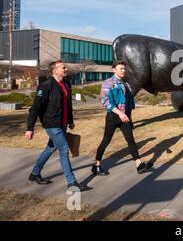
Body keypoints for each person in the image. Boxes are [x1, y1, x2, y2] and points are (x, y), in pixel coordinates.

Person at [25, 60, 86, 191]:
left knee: (50, 148)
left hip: (62, 123)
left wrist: (70, 121)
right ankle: (72, 182)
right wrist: (29, 128)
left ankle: (35, 174)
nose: (66, 69)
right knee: (64, 150)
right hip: (51, 124)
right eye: (63, 68)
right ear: (55, 70)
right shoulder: (45, 86)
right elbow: (35, 108)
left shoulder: (66, 83)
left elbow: (68, 104)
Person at [92, 60, 153, 175]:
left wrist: (128, 115)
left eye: (124, 68)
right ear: (114, 70)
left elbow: (128, 101)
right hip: (113, 117)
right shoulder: (108, 83)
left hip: (124, 117)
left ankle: (139, 165)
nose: (124, 70)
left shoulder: (125, 84)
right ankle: (96, 165)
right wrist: (120, 113)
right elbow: (105, 101)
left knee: (131, 140)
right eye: (121, 68)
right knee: (106, 141)